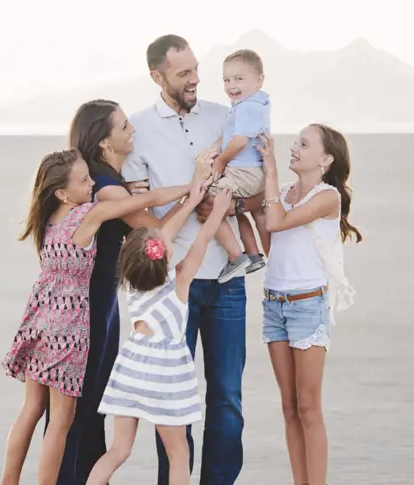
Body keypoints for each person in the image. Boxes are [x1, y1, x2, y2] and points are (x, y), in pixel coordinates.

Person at [0, 148, 205, 485]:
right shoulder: (86, 215)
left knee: (31, 410)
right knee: (61, 421)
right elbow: (146, 201)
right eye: (84, 180)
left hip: (37, 316)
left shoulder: (47, 219)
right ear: (62, 193)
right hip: (66, 326)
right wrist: (191, 189)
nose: (92, 183)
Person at [47, 99, 215, 485]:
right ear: (105, 143)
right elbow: (155, 233)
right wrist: (193, 193)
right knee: (82, 407)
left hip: (102, 300)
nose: (132, 130)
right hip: (90, 304)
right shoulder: (107, 189)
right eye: (124, 127)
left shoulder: (110, 183)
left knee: (89, 410)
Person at [121, 34, 264, 485]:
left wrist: (228, 208)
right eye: (183, 73)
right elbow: (136, 213)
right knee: (171, 403)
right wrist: (189, 203)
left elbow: (255, 187)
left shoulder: (229, 117)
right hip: (169, 289)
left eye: (196, 69)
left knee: (227, 400)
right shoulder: (137, 129)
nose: (196, 79)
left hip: (226, 281)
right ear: (156, 76)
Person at [86, 186, 233, 485]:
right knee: (178, 454)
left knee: (118, 449)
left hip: (131, 366)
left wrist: (189, 201)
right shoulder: (180, 281)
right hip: (164, 373)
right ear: (165, 259)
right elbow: (202, 240)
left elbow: (161, 237)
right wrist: (217, 211)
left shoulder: (132, 286)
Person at [255, 125, 362, 485]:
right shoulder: (282, 192)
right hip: (274, 305)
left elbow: (276, 221)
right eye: (296, 142)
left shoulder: (327, 196)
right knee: (288, 407)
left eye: (304, 144)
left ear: (326, 159)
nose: (294, 148)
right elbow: (274, 247)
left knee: (308, 407)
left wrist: (268, 171)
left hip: (307, 307)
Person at [208, 48, 271, 283]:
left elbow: (240, 140)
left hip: (244, 173)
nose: (231, 85)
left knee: (209, 199)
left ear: (258, 80)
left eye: (238, 79)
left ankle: (236, 256)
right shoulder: (252, 103)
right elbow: (230, 135)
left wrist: (222, 159)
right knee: (235, 210)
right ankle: (253, 254)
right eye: (226, 79)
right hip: (248, 172)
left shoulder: (248, 106)